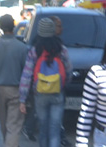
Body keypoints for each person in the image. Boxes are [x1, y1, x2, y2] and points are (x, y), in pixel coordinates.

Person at [20, 18, 73, 147]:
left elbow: (27, 75)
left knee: (43, 129)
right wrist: (64, 84)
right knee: (54, 130)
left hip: (40, 93)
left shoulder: (34, 50)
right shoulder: (61, 49)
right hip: (57, 92)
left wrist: (22, 99)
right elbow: (69, 70)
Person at [0, 14, 30, 147]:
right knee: (13, 126)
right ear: (13, 27)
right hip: (15, 89)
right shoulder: (21, 47)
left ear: (1, 27)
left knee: (4, 124)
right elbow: (26, 71)